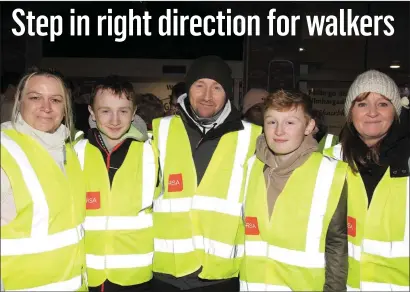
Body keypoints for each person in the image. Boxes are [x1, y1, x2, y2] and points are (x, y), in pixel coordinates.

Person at [151, 55, 261, 292]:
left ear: (228, 93)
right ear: (188, 88)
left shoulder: (252, 137)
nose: (207, 96)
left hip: (220, 277)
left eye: (217, 87)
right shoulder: (161, 130)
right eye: (200, 85)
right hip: (166, 274)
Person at [240, 89, 348, 291]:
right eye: (272, 122)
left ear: (309, 126)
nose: (279, 131)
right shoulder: (249, 168)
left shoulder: (331, 173)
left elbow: (337, 247)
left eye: (290, 122)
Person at [0, 68, 87, 291]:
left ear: (65, 108)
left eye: (55, 100)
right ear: (19, 101)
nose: (46, 108)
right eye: (35, 97)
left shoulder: (69, 151)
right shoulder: (4, 150)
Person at [324, 70, 410, 290]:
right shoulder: (329, 159)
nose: (372, 112)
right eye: (362, 104)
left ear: (396, 112)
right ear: (350, 113)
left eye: (383, 104)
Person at [73, 75, 159, 292]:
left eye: (123, 111)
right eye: (105, 111)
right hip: (86, 275)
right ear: (92, 112)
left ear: (134, 112)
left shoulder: (152, 153)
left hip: (135, 278)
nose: (114, 120)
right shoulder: (74, 153)